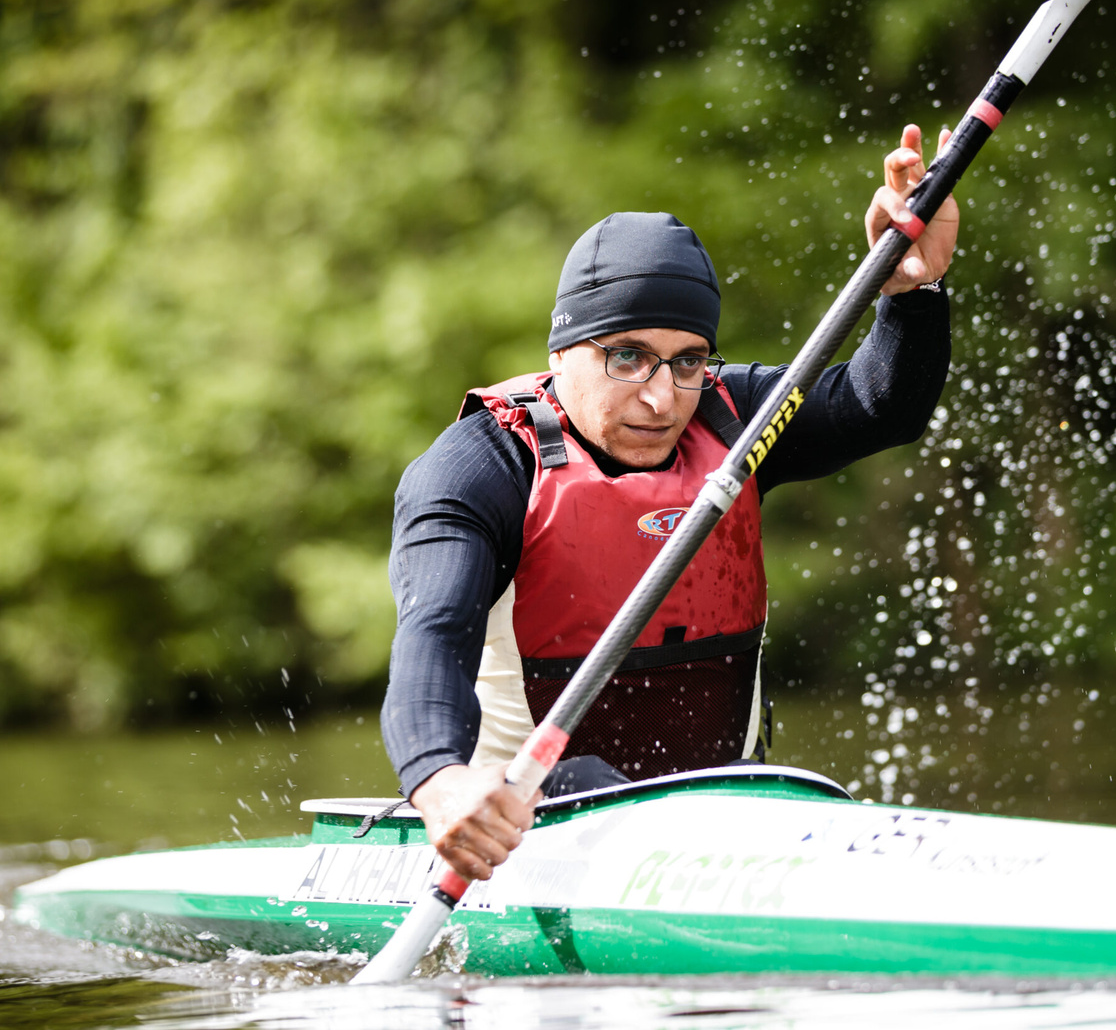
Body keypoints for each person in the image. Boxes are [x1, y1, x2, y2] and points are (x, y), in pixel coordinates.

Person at [382, 124, 960, 883]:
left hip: (731, 823)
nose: (661, 396)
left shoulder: (735, 417)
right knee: (580, 776)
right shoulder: (479, 467)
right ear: (562, 353)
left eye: (687, 361)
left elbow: (879, 404)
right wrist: (441, 782)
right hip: (526, 831)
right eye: (627, 356)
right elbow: (432, 635)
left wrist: (913, 292)